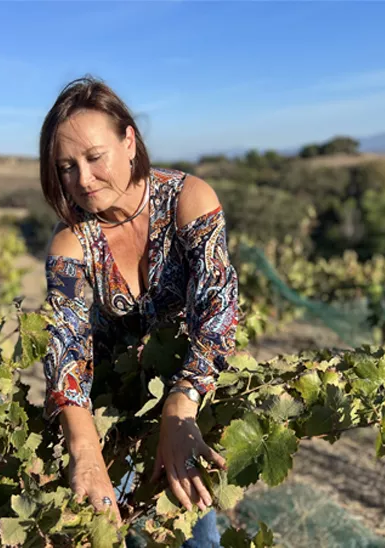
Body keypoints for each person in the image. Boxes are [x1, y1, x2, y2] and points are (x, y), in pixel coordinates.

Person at [38, 76, 239, 547]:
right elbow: (65, 348)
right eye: (66, 167)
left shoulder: (189, 200)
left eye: (93, 158)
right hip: (109, 413)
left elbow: (218, 313)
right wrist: (85, 451)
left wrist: (179, 405)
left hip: (186, 394)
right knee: (120, 534)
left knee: (197, 536)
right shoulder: (72, 243)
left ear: (129, 141)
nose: (82, 181)